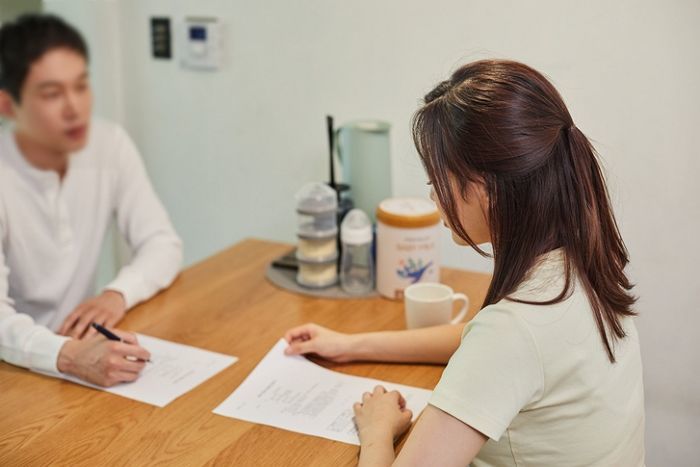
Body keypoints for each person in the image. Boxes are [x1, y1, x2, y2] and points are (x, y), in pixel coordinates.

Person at [285, 60, 644, 466]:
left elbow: (499, 346)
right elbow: (481, 342)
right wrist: (349, 345)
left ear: (484, 188)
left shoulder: (514, 329)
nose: (433, 195)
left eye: (437, 178)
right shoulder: (580, 269)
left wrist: (377, 430)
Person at [0, 14, 182, 387]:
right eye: (52, 94)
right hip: (15, 364)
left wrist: (118, 293)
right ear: (7, 106)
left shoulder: (109, 144)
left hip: (78, 353)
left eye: (81, 86)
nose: (75, 107)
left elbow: (163, 243)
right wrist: (66, 356)